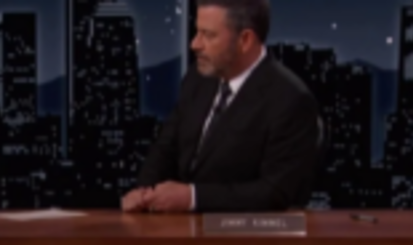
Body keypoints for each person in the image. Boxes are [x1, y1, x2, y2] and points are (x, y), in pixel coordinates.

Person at [122, 0, 319, 213]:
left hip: (242, 231)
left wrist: (192, 198)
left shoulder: (291, 99)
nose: (195, 44)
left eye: (208, 35)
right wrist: (144, 192)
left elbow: (273, 192)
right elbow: (166, 148)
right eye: (197, 32)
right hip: (178, 227)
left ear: (245, 40)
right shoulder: (197, 79)